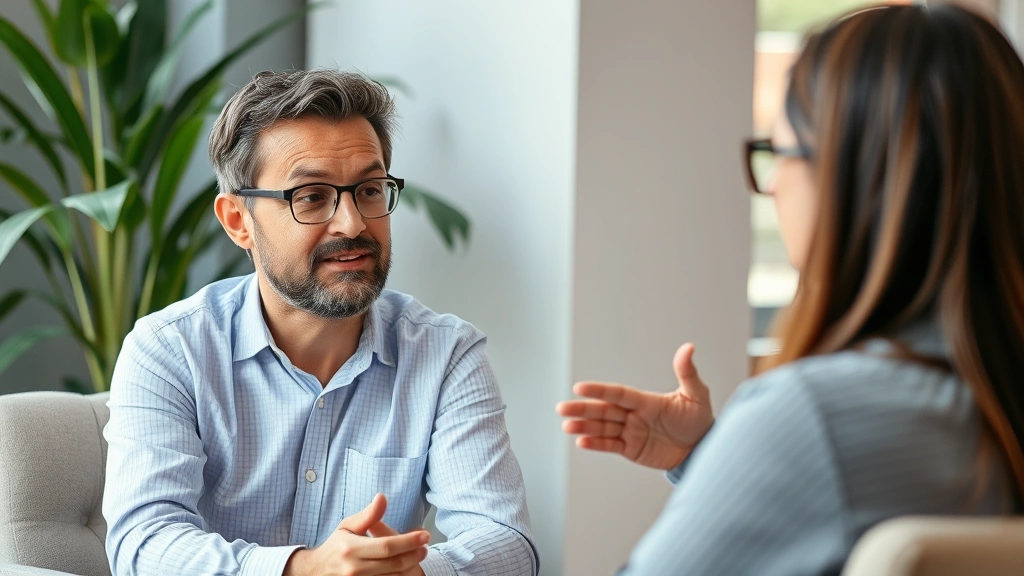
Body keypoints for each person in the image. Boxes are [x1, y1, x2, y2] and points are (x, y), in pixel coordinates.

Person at [557, 4, 1024, 574]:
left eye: (780, 153)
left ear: (855, 177)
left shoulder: (815, 418)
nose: (772, 185)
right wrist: (718, 461)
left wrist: (763, 448)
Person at [103, 70, 538, 576]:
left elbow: (506, 541)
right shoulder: (169, 351)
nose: (353, 224)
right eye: (311, 196)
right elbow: (144, 545)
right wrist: (304, 570)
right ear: (238, 221)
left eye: (370, 190)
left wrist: (414, 573)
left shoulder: (445, 355)